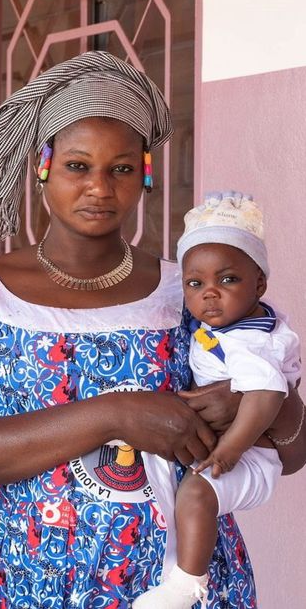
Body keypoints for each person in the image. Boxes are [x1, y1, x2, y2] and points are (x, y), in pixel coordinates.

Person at [0, 51, 306, 608]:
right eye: (78, 165)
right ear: (43, 165)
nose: (100, 187)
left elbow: (292, 452)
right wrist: (116, 414)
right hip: (40, 586)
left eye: (121, 168)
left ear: (144, 174)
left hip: (194, 587)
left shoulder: (193, 291)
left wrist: (262, 400)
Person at [134, 192, 301, 608]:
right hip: (240, 446)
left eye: (228, 280)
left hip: (250, 454)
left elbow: (267, 395)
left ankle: (187, 584)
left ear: (259, 284)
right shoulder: (234, 322)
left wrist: (229, 451)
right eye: (196, 283)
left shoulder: (250, 340)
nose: (210, 293)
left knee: (195, 494)